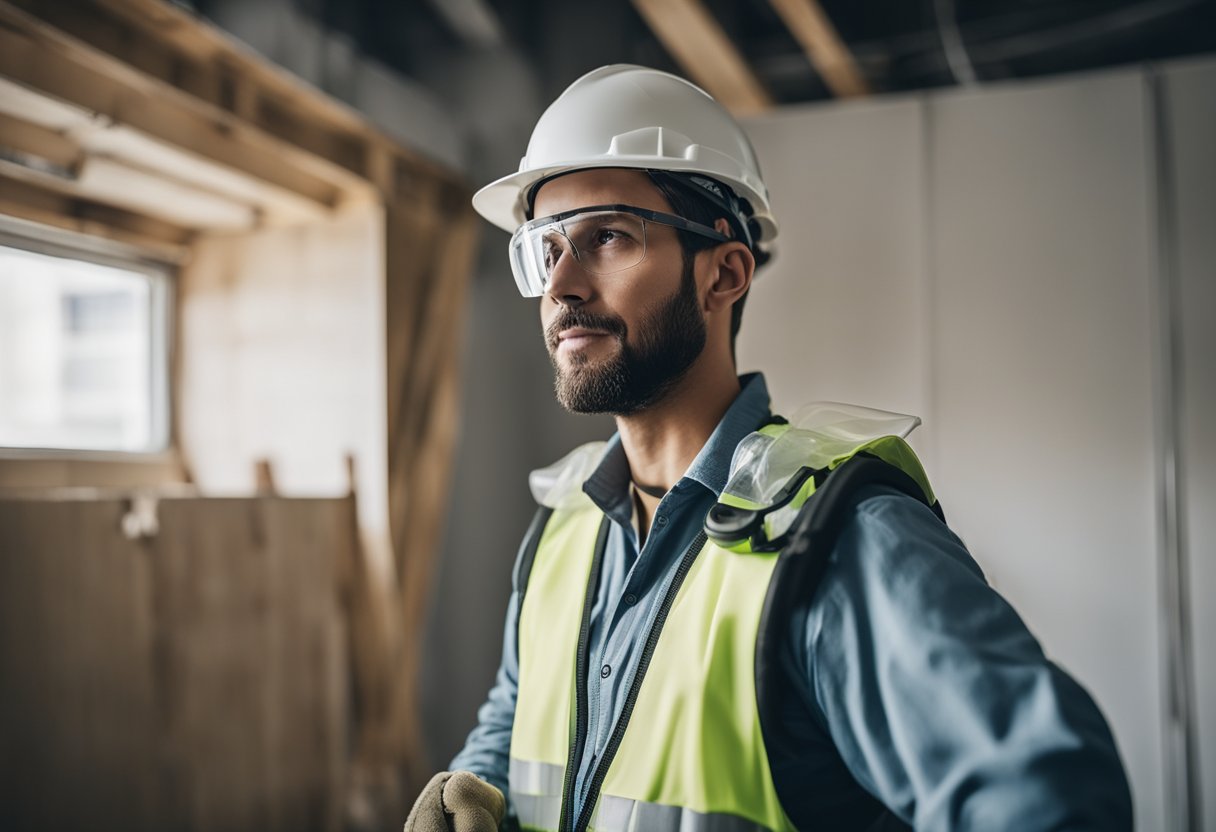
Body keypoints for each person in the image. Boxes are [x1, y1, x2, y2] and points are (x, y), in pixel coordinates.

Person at [404, 65, 1132, 832]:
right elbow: (514, 724)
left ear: (724, 273)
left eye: (608, 236)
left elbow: (1050, 796)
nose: (563, 285)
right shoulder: (561, 530)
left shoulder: (835, 541)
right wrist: (475, 788)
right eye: (545, 248)